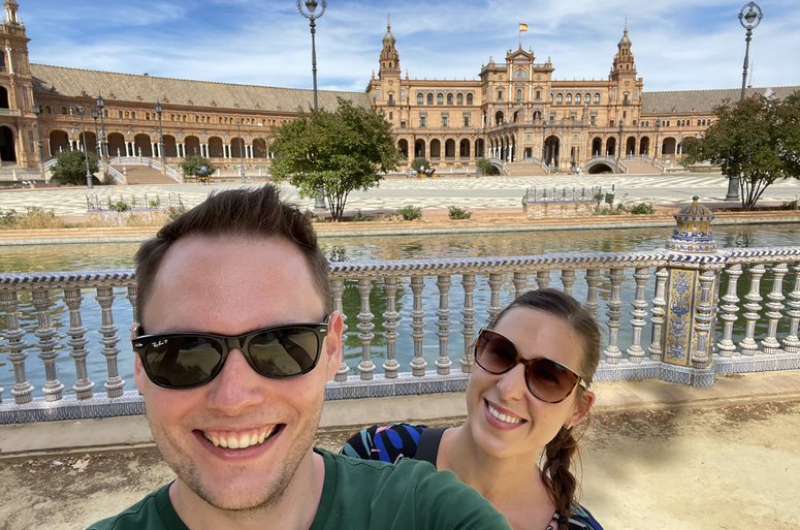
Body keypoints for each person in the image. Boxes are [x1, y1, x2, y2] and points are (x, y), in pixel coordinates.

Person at [88, 186, 511, 530]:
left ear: (332, 349)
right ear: (141, 364)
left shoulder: (430, 514)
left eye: (280, 345)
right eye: (185, 353)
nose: (234, 398)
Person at [343, 288, 603, 530]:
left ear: (578, 410)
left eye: (548, 377)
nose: (508, 389)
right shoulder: (378, 456)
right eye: (501, 353)